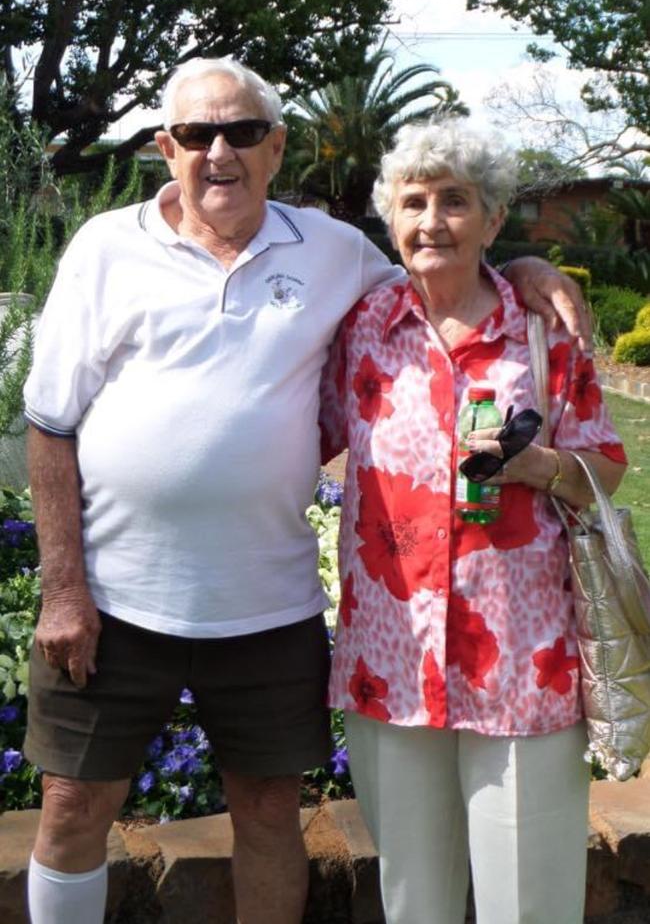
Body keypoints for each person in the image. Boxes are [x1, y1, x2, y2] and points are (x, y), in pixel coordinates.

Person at [22, 57, 589, 924]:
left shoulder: (330, 253)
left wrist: (524, 268)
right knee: (71, 807)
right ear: (166, 147)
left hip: (268, 605)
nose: (221, 152)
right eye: (199, 135)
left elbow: (438, 266)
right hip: (114, 595)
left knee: (267, 814)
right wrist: (62, 588)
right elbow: (51, 424)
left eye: (244, 132)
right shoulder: (106, 247)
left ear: (277, 147)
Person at [319, 119, 627, 924]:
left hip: (524, 663)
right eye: (413, 202)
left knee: (529, 903)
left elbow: (609, 466)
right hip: (392, 659)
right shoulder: (361, 331)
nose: (431, 222)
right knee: (412, 898)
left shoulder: (542, 331)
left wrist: (543, 467)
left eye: (455, 201)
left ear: (493, 220)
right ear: (389, 219)